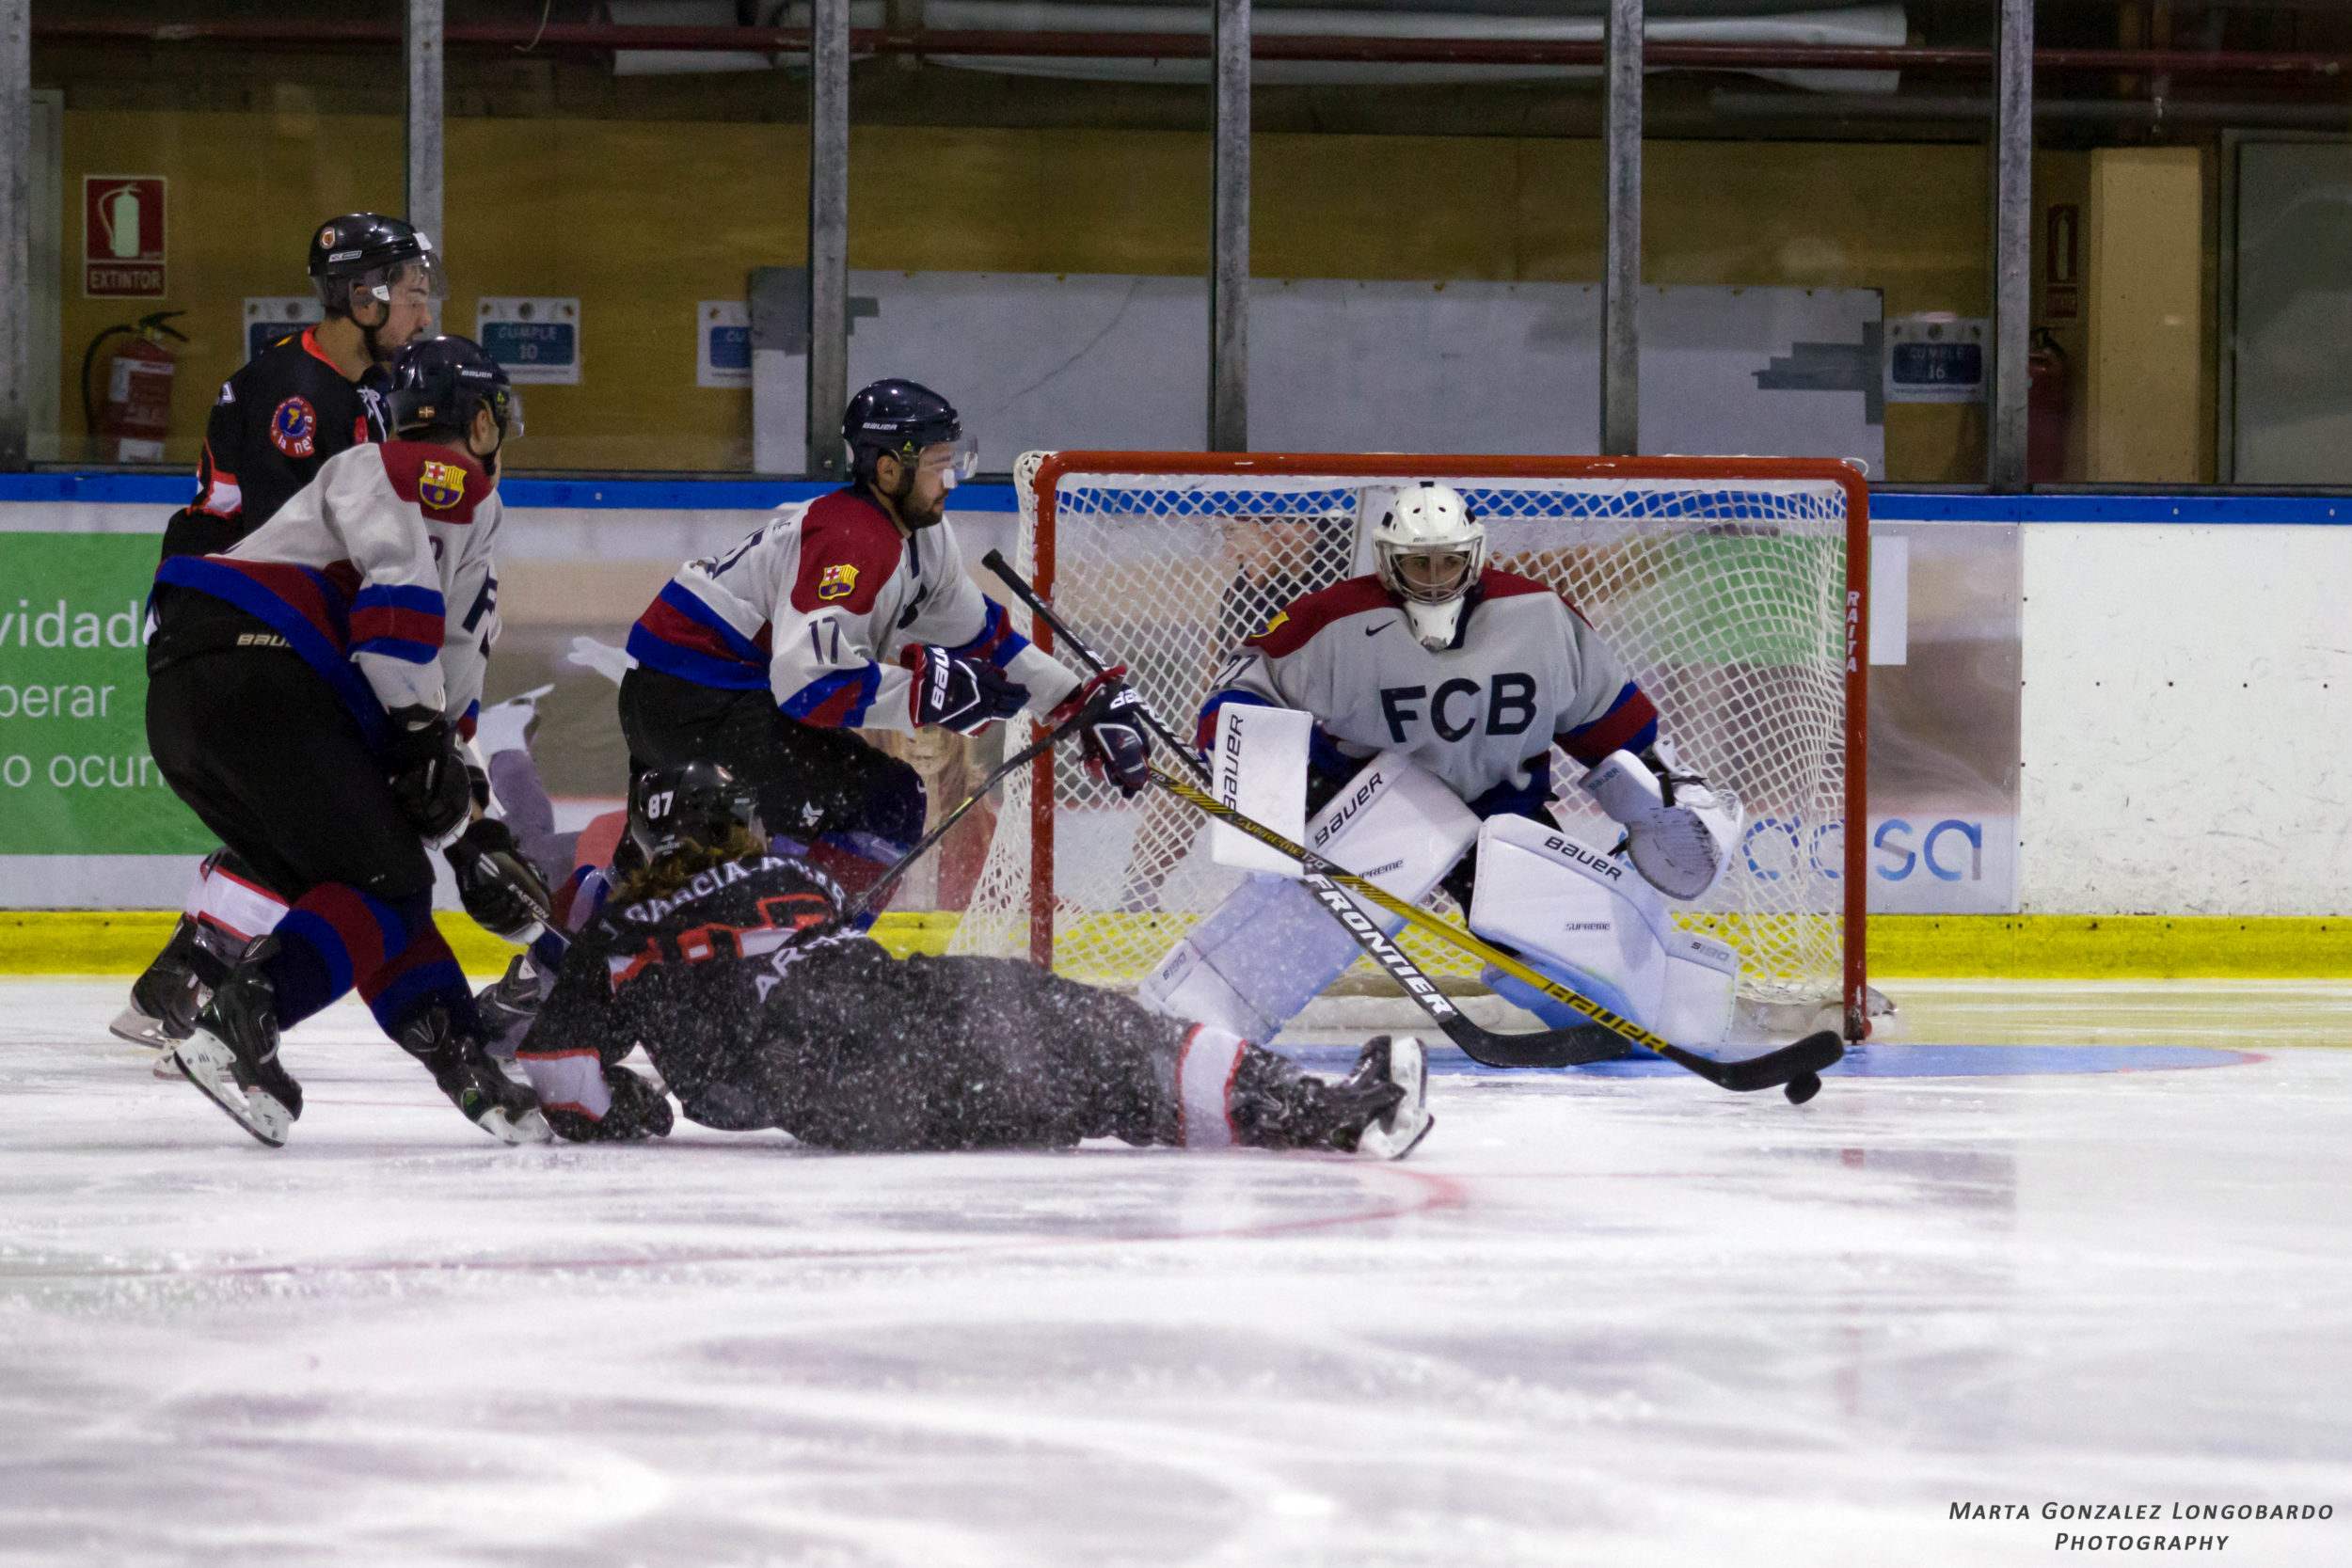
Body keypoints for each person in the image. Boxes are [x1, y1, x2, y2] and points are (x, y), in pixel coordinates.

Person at [510, 761, 1432, 1160]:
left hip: (843, 1110)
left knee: (1083, 1074)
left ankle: (1325, 1116)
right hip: (904, 1024)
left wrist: (627, 1107)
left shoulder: (620, 932)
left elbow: (560, 1071)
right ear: (738, 828)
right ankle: (1330, 1115)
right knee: (1118, 1053)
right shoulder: (783, 877)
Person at [1140, 482, 1745, 1050]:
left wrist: (1660, 794)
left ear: (1475, 556)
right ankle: (1186, 1030)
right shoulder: (1332, 620)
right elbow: (1240, 698)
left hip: (1502, 809)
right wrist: (1259, 783)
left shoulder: (1539, 616)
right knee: (1297, 930)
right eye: (1417, 564)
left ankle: (1658, 1025)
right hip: (1371, 804)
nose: (1434, 579)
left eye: (1448, 562)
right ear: (1387, 560)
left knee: (1562, 950)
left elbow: (1614, 730)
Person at [144, 335, 544, 1148]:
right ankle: (238, 1020)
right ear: (476, 421)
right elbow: (401, 620)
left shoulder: (389, 482)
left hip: (191, 700)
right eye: (497, 418)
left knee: (371, 891)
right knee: (389, 874)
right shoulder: (429, 477)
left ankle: (464, 1058)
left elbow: (437, 697)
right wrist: (434, 760)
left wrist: (475, 825)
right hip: (267, 674)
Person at [617, 378, 1146, 911]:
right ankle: (814, 951)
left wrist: (1078, 702)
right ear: (889, 470)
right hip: (693, 703)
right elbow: (810, 687)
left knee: (663, 866)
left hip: (697, 695)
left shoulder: (923, 537)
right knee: (883, 801)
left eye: (953, 461)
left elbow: (987, 641)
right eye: (940, 465)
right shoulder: (851, 541)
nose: (952, 480)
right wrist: (923, 695)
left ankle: (600, 927)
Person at [114, 213, 446, 1053]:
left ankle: (183, 978)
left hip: (257, 624)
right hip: (231, 623)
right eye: (410, 293)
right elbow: (287, 547)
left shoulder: (363, 393)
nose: (424, 311)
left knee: (320, 815)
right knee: (338, 813)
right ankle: (201, 978)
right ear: (360, 296)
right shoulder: (291, 395)